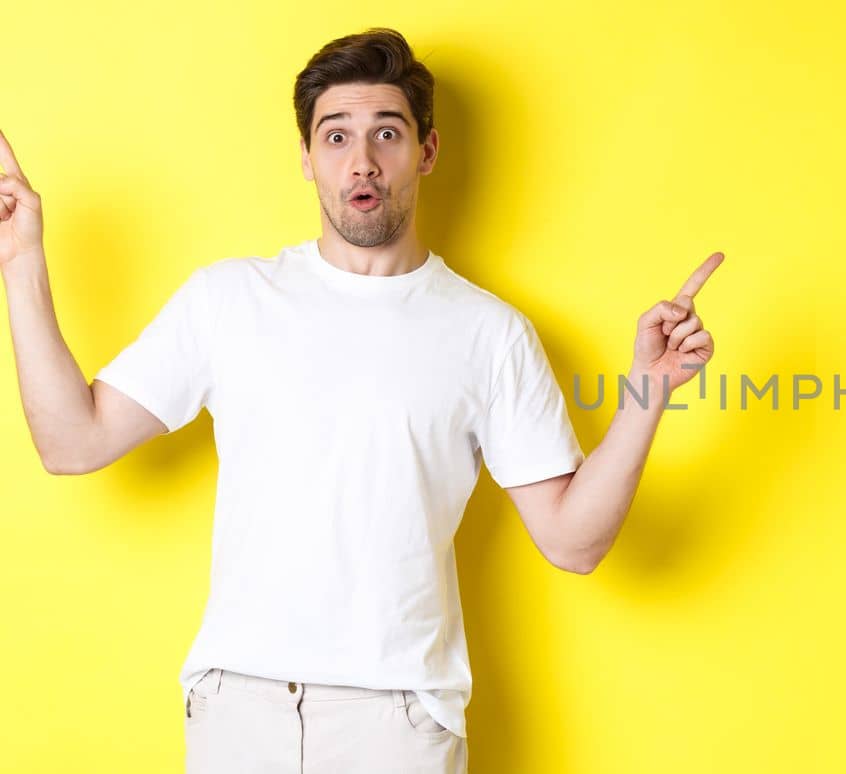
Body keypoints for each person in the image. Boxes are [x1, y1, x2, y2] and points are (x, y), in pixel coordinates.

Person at [0, 27, 720, 774]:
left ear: (427, 152)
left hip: (398, 721)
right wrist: (22, 261)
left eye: (387, 133)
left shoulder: (490, 333)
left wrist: (649, 390)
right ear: (307, 159)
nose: (362, 159)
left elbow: (574, 541)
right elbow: (71, 443)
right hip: (238, 712)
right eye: (336, 136)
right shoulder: (229, 300)